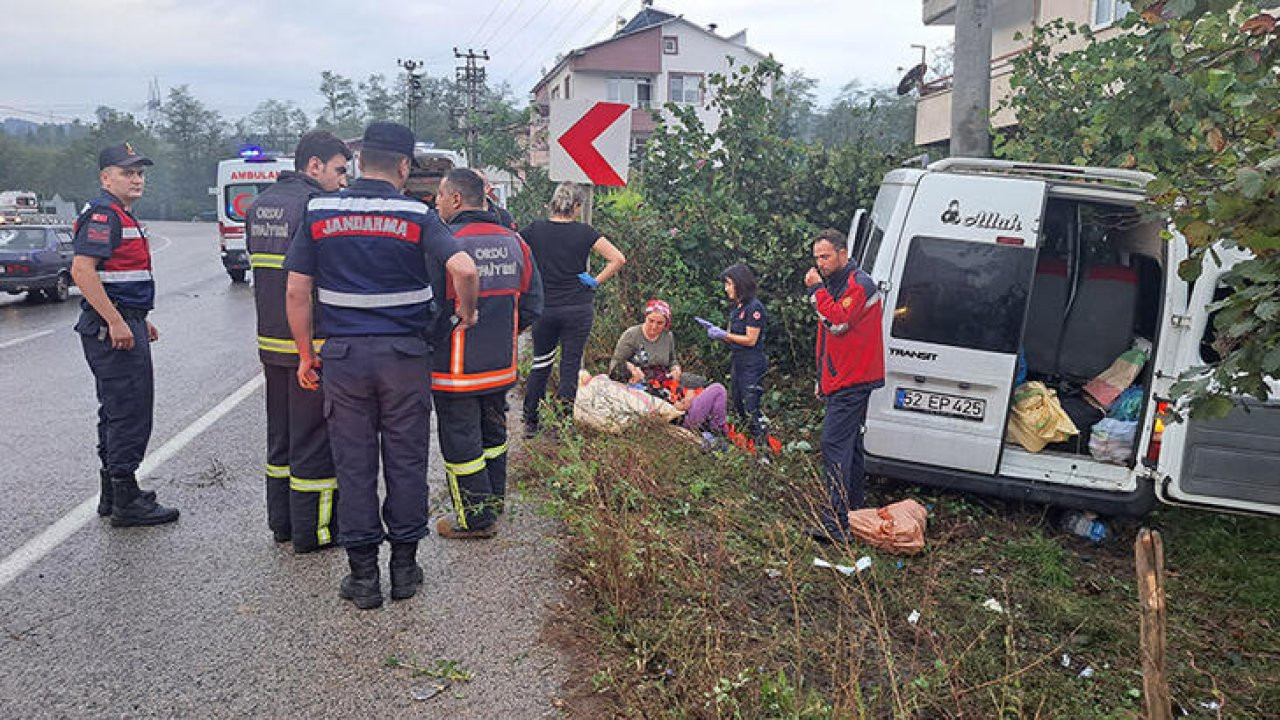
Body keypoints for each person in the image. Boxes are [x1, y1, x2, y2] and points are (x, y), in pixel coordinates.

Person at [284, 122, 480, 609]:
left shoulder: (319, 211)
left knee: (354, 465)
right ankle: (405, 570)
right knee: (406, 460)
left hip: (345, 360)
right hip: (404, 359)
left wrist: (307, 354)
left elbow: (295, 290)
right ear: (402, 166)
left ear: (358, 161)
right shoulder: (416, 215)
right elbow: (464, 269)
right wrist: (468, 313)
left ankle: (364, 578)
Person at [245, 130, 350, 552]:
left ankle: (283, 523)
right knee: (314, 440)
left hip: (270, 341)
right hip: (310, 343)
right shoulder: (315, 208)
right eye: (339, 171)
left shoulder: (260, 204)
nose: (343, 181)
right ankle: (316, 531)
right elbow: (306, 287)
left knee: (282, 437)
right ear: (314, 166)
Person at [70, 142, 179, 527]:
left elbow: (116, 276)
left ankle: (112, 492)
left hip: (122, 320)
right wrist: (117, 320)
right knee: (130, 411)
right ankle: (126, 499)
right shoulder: (105, 215)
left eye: (140, 173)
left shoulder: (117, 213)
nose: (136, 179)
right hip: (110, 328)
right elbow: (82, 270)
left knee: (115, 409)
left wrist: (134, 317)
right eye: (127, 172)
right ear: (105, 178)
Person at [431, 168, 543, 539]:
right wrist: (505, 335)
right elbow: (532, 304)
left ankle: (475, 519)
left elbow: (428, 306)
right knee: (493, 437)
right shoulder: (516, 243)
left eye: (441, 195)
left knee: (461, 443)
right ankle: (493, 504)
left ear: (457, 199)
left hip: (456, 369)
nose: (437, 202)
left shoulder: (446, 243)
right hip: (500, 366)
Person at [521, 182, 626, 436]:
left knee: (541, 363)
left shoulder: (535, 230)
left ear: (554, 203)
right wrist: (595, 281)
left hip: (545, 307)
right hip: (577, 307)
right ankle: (562, 425)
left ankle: (531, 421)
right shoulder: (585, 232)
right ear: (577, 206)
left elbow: (516, 251)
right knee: (569, 366)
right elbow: (618, 258)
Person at [803, 228, 885, 543]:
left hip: (854, 380)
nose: (820, 263)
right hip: (842, 377)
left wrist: (816, 292)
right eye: (816, 258)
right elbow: (829, 335)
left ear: (843, 253)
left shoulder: (859, 284)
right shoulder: (837, 283)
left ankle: (837, 524)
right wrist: (822, 379)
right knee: (850, 448)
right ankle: (853, 513)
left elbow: (837, 323)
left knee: (834, 445)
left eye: (825, 256)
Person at [609, 299, 727, 437]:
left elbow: (672, 360)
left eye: (660, 323)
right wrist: (632, 369)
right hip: (654, 390)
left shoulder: (667, 336)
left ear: (666, 324)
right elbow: (616, 367)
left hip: (666, 383)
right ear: (645, 318)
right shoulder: (632, 336)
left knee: (701, 382)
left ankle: (713, 426)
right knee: (718, 390)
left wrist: (675, 368)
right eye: (651, 321)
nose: (654, 327)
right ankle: (715, 430)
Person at [706, 263, 769, 447]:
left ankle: (763, 448)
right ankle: (748, 444)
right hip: (738, 362)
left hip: (752, 363)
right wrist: (715, 332)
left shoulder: (753, 308)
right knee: (739, 404)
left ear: (739, 283)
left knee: (751, 407)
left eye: (728, 284)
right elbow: (731, 336)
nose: (726, 289)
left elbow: (750, 339)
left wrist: (725, 335)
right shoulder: (737, 308)